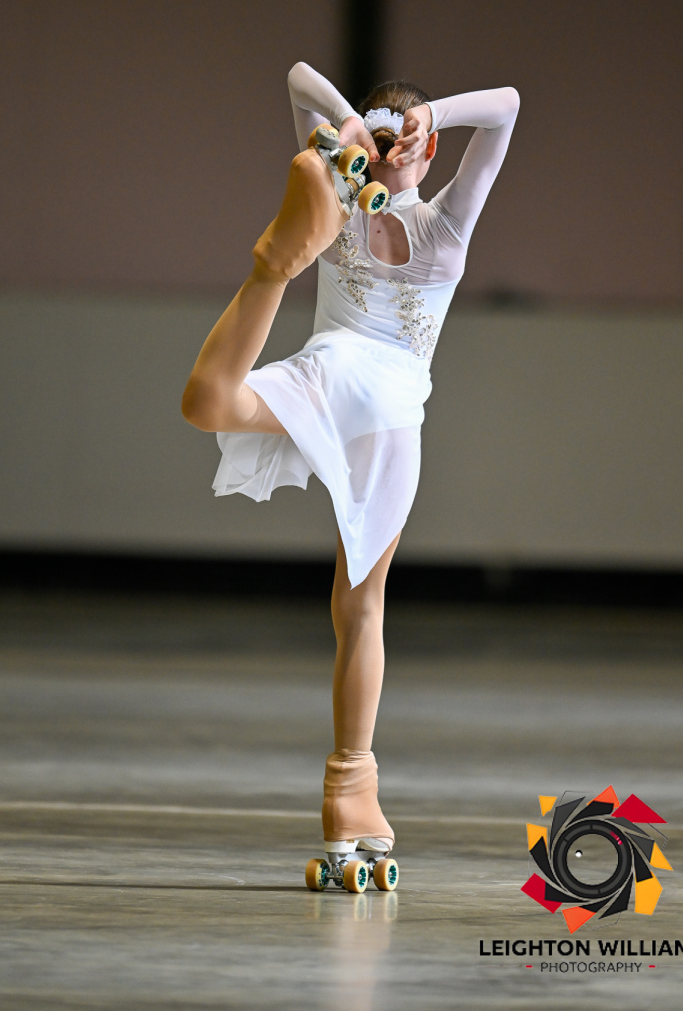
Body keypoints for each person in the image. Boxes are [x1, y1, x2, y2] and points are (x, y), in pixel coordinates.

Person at [182, 61, 519, 869]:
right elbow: (304, 80)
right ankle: (351, 786)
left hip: (363, 395)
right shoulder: (367, 197)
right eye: (388, 141)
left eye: (411, 141)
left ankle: (271, 268)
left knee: (355, 599)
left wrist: (405, 118)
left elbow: (503, 108)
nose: (399, 152)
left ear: (425, 148)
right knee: (359, 603)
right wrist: (368, 133)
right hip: (363, 390)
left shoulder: (406, 211)